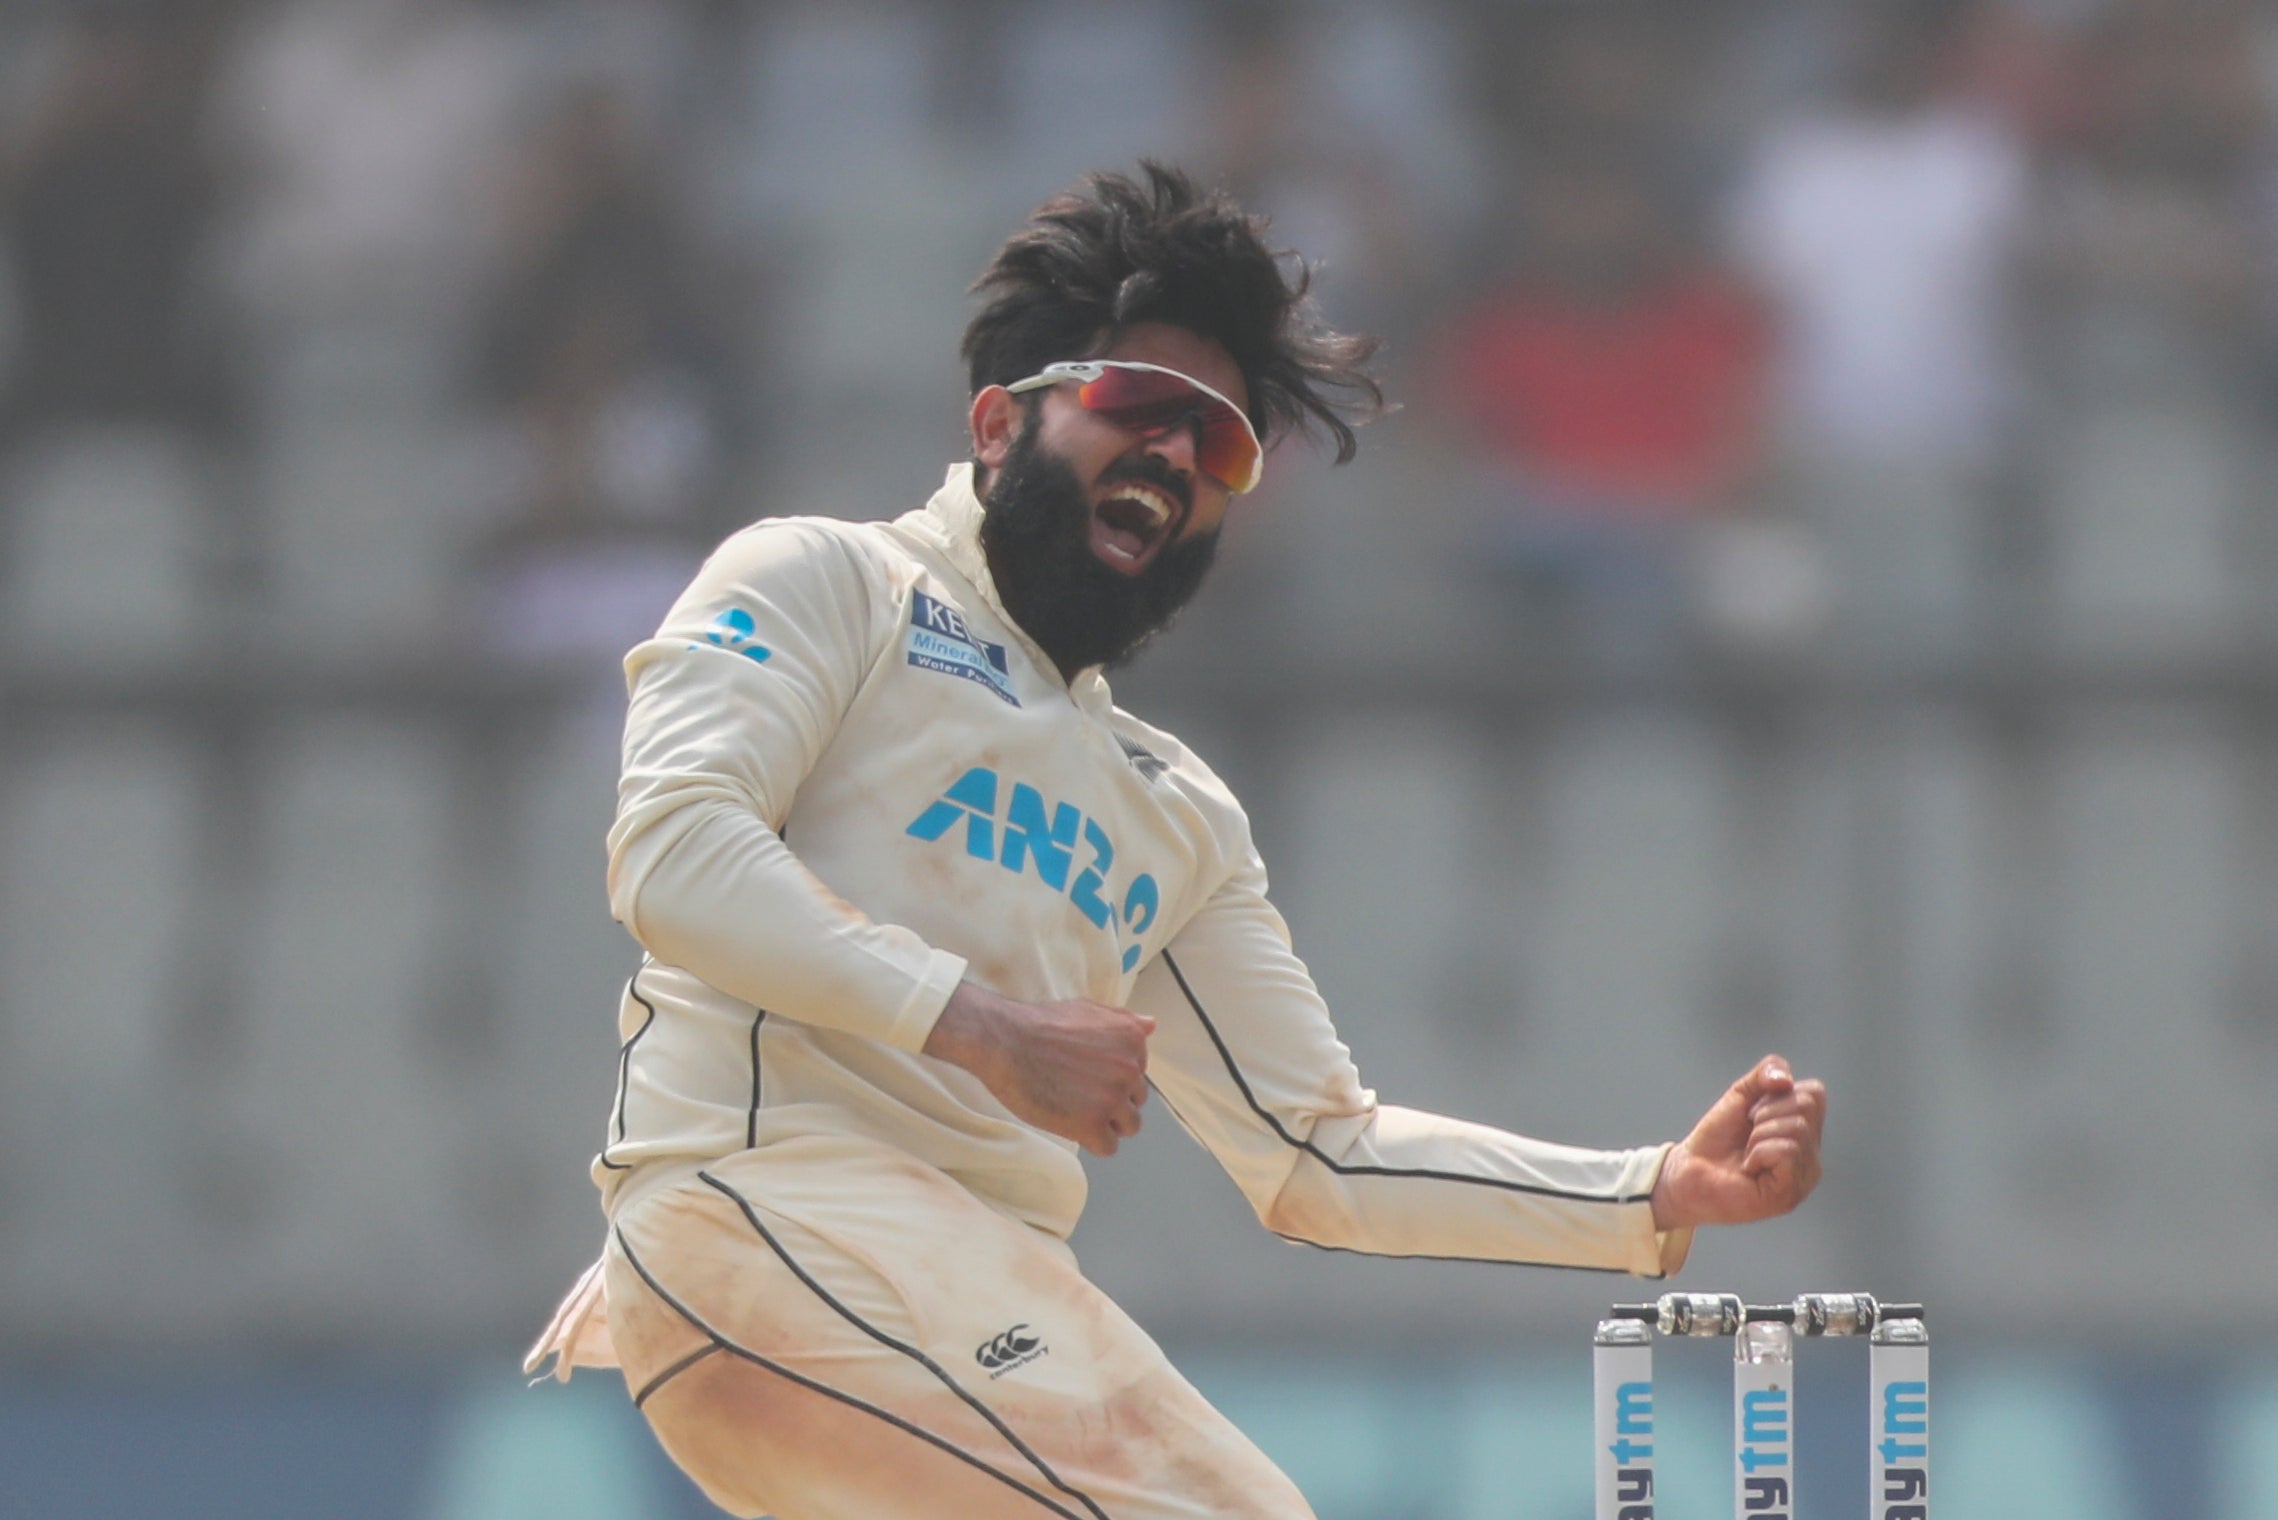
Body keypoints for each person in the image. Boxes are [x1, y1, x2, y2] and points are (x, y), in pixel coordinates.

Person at [526, 163, 1828, 1520]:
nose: (1173, 457)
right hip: (767, 1216)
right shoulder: (826, 581)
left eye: (1221, 449)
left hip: (979, 1288)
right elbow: (674, 858)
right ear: (994, 423)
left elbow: (1318, 1153)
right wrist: (977, 1025)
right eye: (1136, 405)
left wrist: (1651, 1191)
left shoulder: (1171, 807)